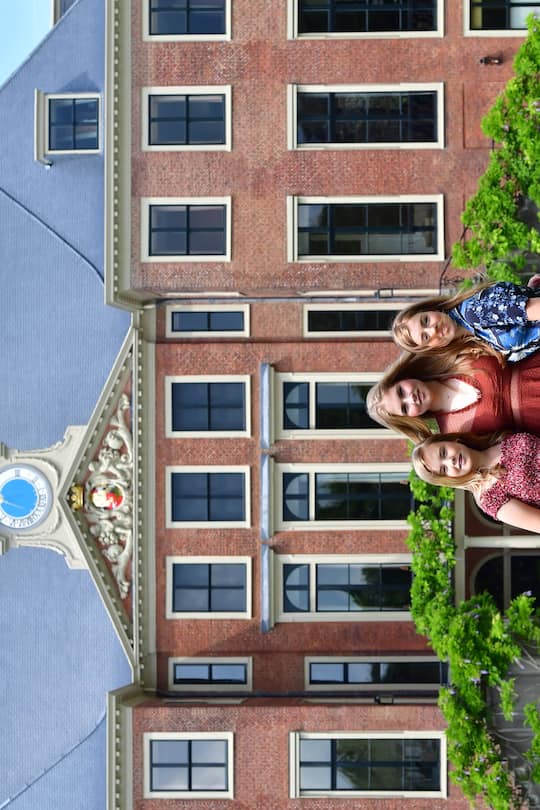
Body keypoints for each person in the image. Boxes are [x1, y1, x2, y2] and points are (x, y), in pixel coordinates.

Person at [366, 349, 540, 442]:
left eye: (401, 392)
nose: (411, 398)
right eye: (404, 407)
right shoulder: (450, 435)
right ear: (408, 419)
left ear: (402, 378)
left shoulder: (448, 355)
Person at [411, 431, 540, 534]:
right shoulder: (489, 499)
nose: (450, 461)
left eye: (443, 452)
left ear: (451, 440)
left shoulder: (498, 437)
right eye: (444, 469)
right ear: (449, 479)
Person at [392, 280, 540, 363]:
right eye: (425, 337)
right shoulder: (471, 345)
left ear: (431, 309)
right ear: (430, 348)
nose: (433, 329)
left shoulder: (472, 312)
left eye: (425, 320)